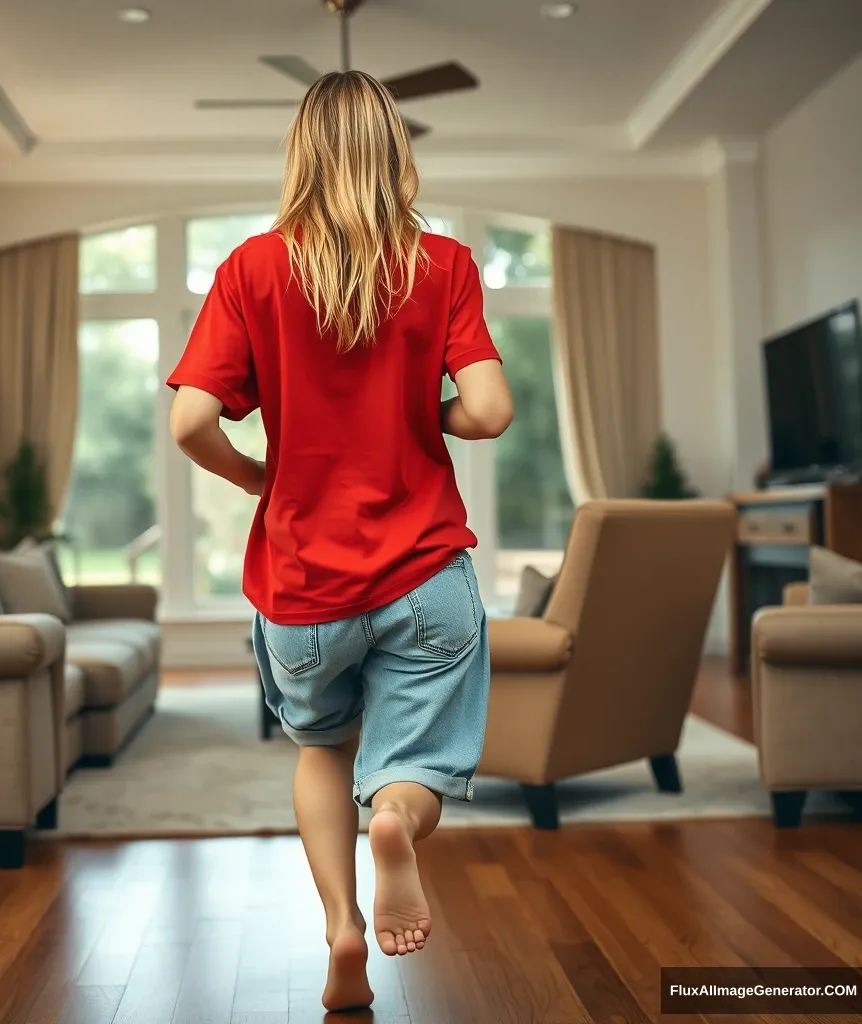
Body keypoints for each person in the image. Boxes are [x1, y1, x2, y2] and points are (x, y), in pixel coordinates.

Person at [167, 69, 513, 1012]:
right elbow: (489, 409)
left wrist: (255, 477)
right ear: (396, 154)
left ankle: (341, 927)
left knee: (322, 750)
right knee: (415, 764)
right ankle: (394, 821)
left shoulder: (250, 268)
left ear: (301, 155)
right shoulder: (442, 265)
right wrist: (422, 412)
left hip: (304, 585)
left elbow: (192, 422)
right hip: (427, 575)